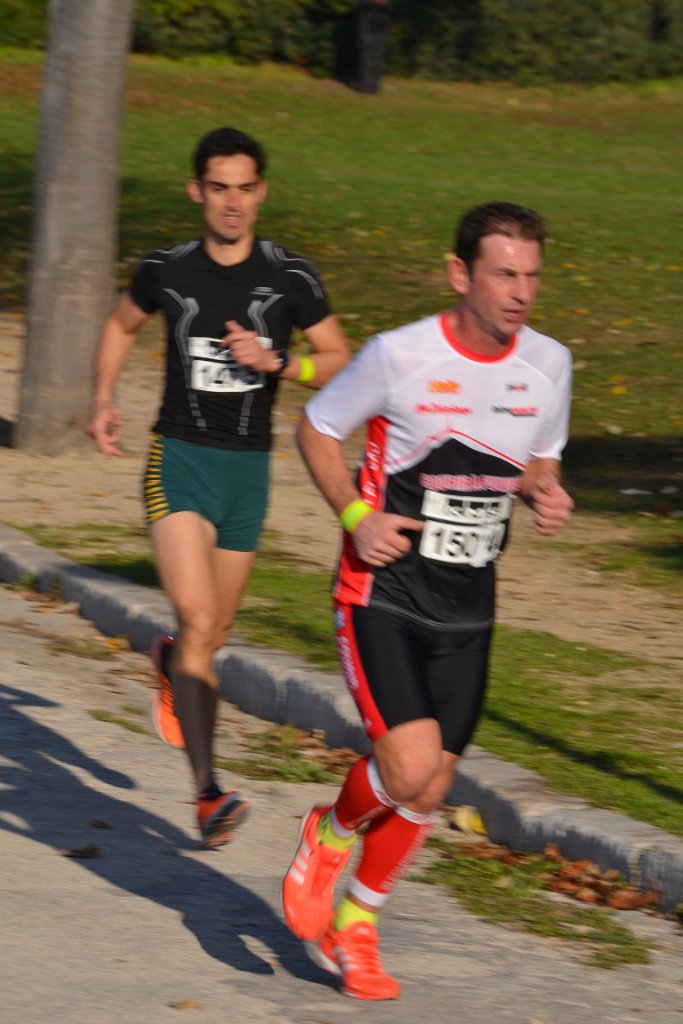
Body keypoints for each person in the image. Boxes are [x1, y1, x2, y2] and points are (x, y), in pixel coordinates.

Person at [281, 202, 573, 999]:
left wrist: (545, 493)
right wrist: (355, 516)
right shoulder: (398, 355)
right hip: (383, 591)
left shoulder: (549, 363)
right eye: (503, 275)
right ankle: (330, 832)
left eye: (531, 276)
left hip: (468, 606)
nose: (520, 292)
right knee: (406, 766)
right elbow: (315, 429)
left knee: (434, 788)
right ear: (459, 275)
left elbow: (537, 460)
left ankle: (356, 923)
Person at [88, 127, 350, 850]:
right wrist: (102, 396)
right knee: (203, 623)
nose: (232, 202)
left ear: (261, 192)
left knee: (213, 634)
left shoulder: (290, 277)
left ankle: (174, 660)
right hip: (179, 461)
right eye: (218, 188)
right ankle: (207, 793)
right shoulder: (166, 270)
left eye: (244, 188)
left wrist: (279, 363)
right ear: (196, 191)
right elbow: (119, 325)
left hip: (248, 474)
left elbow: (338, 356)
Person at [356, 0, 391, 94]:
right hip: (366, 26)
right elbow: (358, 5)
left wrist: (384, 3)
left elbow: (392, 9)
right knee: (366, 56)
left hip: (381, 29)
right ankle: (365, 86)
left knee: (377, 58)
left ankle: (374, 86)